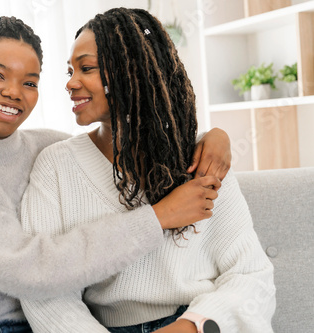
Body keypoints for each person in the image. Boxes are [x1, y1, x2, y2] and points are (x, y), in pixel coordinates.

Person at [0, 16, 232, 333]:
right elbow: (25, 269)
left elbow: (121, 145)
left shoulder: (48, 148)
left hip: (44, 323)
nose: (14, 92)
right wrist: (157, 218)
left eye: (29, 82)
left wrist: (211, 139)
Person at [20, 8, 275, 333]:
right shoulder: (56, 166)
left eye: (86, 68)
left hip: (201, 323)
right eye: (70, 70)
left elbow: (250, 274)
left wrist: (191, 327)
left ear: (131, 72)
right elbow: (45, 288)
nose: (71, 83)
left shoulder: (203, 159)